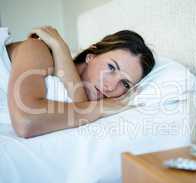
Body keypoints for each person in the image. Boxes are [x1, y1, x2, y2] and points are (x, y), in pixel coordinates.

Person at [6, 26, 155, 138]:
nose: (110, 87)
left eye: (125, 83)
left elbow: (80, 103)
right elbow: (26, 121)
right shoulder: (37, 49)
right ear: (91, 56)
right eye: (111, 67)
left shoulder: (79, 94)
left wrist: (61, 50)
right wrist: (103, 107)